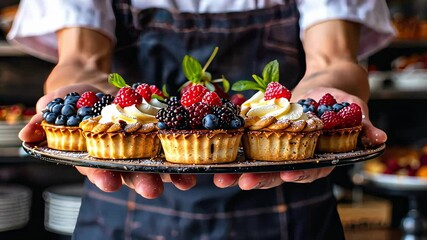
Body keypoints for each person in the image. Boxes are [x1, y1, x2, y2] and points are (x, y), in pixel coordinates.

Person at [9, 0, 394, 239]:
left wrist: (325, 97)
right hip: (123, 209)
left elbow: (333, 61)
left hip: (288, 209)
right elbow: (81, 61)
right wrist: (78, 96)